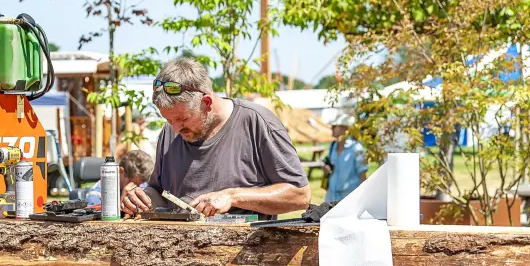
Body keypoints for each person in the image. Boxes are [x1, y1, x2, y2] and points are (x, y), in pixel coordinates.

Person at [121, 57, 311, 218]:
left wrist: (233, 196)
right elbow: (160, 192)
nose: (176, 128)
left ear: (207, 102)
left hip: (244, 256)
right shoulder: (170, 131)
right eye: (169, 120)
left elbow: (300, 196)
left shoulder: (256, 123)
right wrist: (142, 198)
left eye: (182, 119)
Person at [323, 112, 368, 202]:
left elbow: (363, 176)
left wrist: (365, 198)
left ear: (346, 129)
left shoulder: (356, 148)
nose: (332, 128)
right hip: (331, 196)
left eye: (335, 126)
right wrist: (326, 169)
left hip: (349, 198)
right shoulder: (332, 146)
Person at [86, 149, 154, 206]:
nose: (136, 187)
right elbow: (97, 221)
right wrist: (123, 200)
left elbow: (161, 194)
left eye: (140, 184)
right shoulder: (97, 195)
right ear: (121, 171)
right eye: (132, 183)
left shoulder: (143, 185)